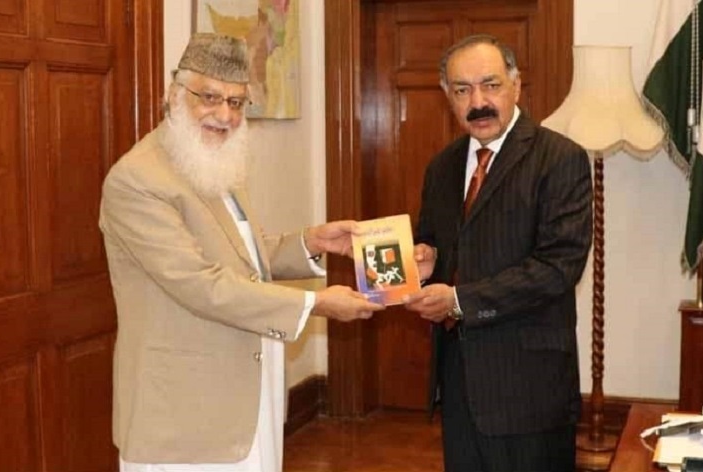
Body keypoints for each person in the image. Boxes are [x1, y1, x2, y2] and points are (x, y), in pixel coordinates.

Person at [99, 33, 384, 472]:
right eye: (210, 97)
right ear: (175, 94)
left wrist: (311, 241)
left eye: (236, 102)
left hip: (246, 393)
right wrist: (316, 304)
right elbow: (199, 284)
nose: (225, 115)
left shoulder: (207, 161)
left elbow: (240, 256)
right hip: (185, 414)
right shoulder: (138, 180)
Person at [404, 34, 593, 472]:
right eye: (462, 89)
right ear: (446, 95)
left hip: (528, 385)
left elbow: (557, 267)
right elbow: (435, 246)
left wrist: (458, 301)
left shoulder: (559, 159)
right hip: (460, 384)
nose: (478, 102)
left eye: (490, 85)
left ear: (516, 86)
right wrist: (428, 262)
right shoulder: (442, 166)